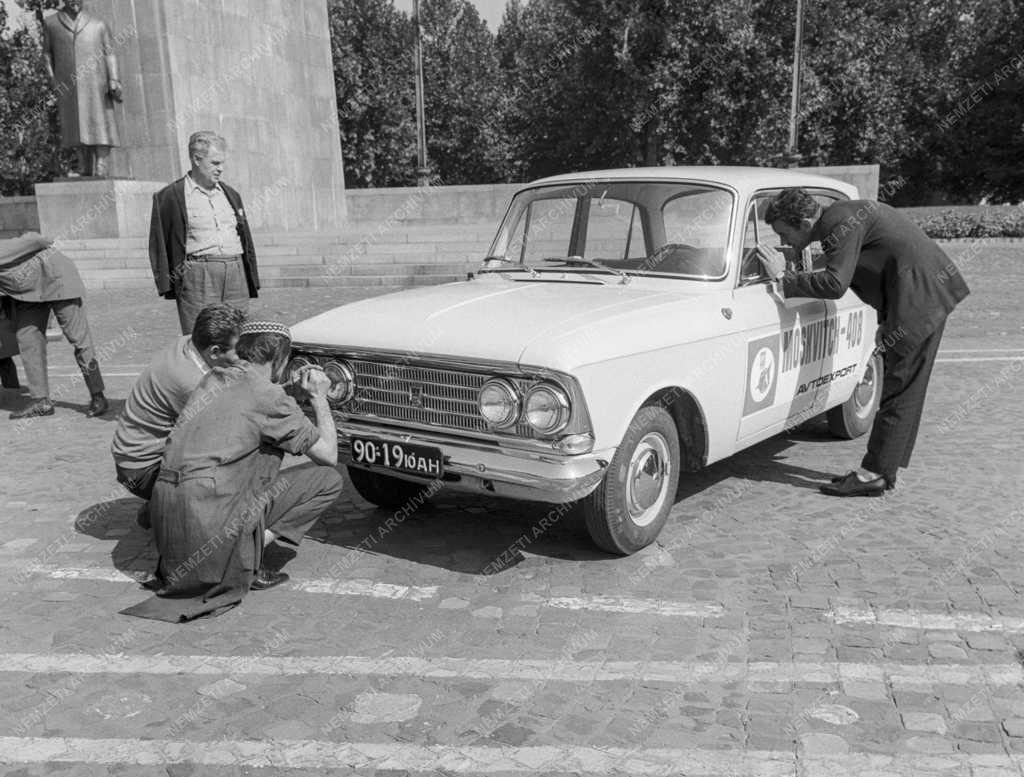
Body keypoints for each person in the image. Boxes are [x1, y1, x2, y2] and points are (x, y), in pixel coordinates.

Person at [121, 321, 343, 622]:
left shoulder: (213, 378)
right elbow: (328, 455)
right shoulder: (271, 399)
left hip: (170, 524)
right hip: (213, 527)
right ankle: (245, 554)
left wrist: (288, 390)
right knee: (327, 480)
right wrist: (319, 398)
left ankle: (224, 546)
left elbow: (249, 399)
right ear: (279, 359)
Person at [758, 188, 970, 497]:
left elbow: (834, 283)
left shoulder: (837, 224)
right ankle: (883, 470)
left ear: (803, 222)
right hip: (918, 294)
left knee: (900, 387)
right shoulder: (841, 215)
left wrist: (782, 277)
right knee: (905, 386)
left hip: (920, 298)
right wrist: (888, 320)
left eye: (783, 232)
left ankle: (875, 473)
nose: (783, 241)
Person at [111, 303, 245, 514]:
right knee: (239, 460)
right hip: (142, 470)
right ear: (215, 351)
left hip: (133, 460)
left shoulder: (188, 343)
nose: (244, 357)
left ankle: (164, 504)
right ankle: (168, 508)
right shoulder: (192, 383)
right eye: (239, 351)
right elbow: (229, 429)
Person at [148, 131, 259, 335]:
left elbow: (245, 238)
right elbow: (159, 242)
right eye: (215, 163)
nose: (221, 169)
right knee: (201, 337)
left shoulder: (231, 194)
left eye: (222, 163)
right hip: (198, 274)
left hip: (235, 272)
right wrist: (167, 282)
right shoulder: (170, 196)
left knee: (239, 336)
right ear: (196, 159)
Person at [0, 232, 107, 419]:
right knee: (27, 339)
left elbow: (34, 238)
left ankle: (98, 395)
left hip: (57, 277)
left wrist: (46, 242)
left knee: (78, 338)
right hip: (29, 294)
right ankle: (40, 401)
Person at [41, 0, 122, 177]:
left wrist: (114, 78)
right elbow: (47, 55)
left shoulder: (98, 24)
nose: (74, 2)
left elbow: (109, 53)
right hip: (69, 85)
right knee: (75, 126)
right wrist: (53, 81)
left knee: (100, 122)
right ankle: (83, 165)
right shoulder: (51, 23)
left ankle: (101, 164)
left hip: (96, 83)